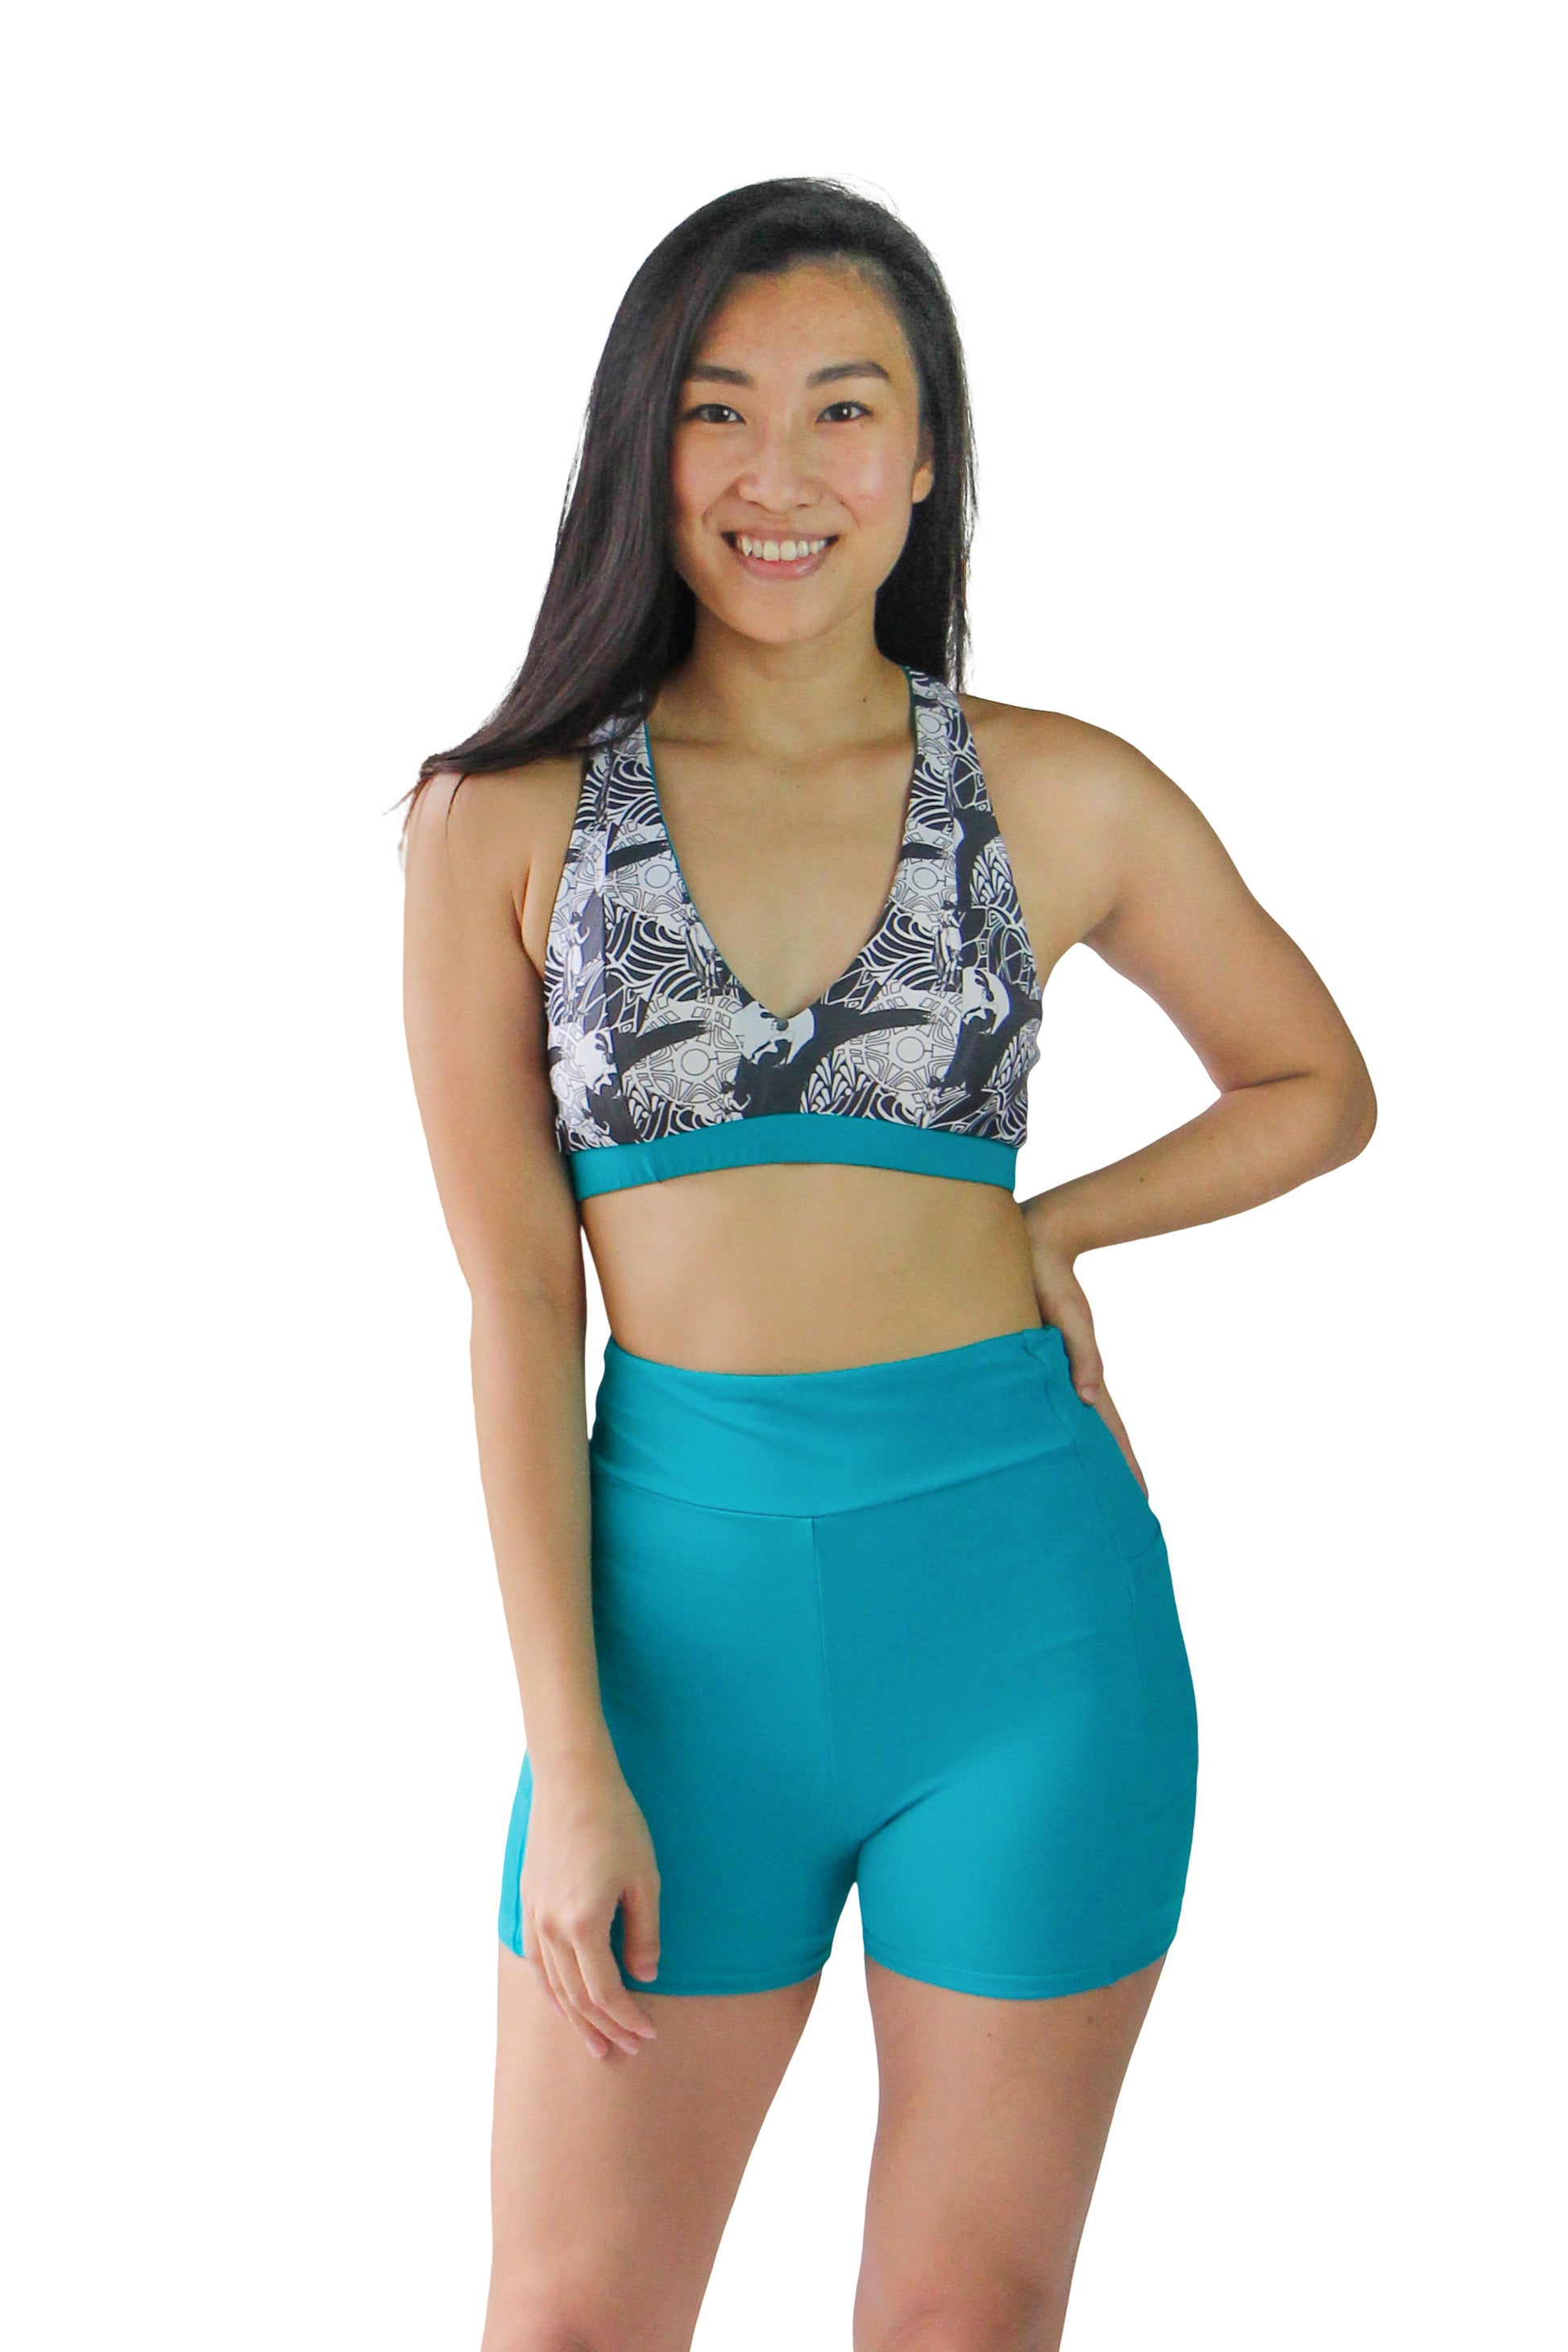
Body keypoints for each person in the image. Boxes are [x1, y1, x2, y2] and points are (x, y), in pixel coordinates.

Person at [400, 177, 1376, 2352]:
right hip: (675, 1653)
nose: (781, 475)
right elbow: (518, 1304)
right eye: (719, 411)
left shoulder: (1055, 791)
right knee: (567, 2321)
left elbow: (1314, 1082)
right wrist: (570, 1751)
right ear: (643, 443)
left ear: (924, 459)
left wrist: (1054, 1224)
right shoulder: (505, 818)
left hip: (1028, 1630)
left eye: (844, 411)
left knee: (958, 2323)